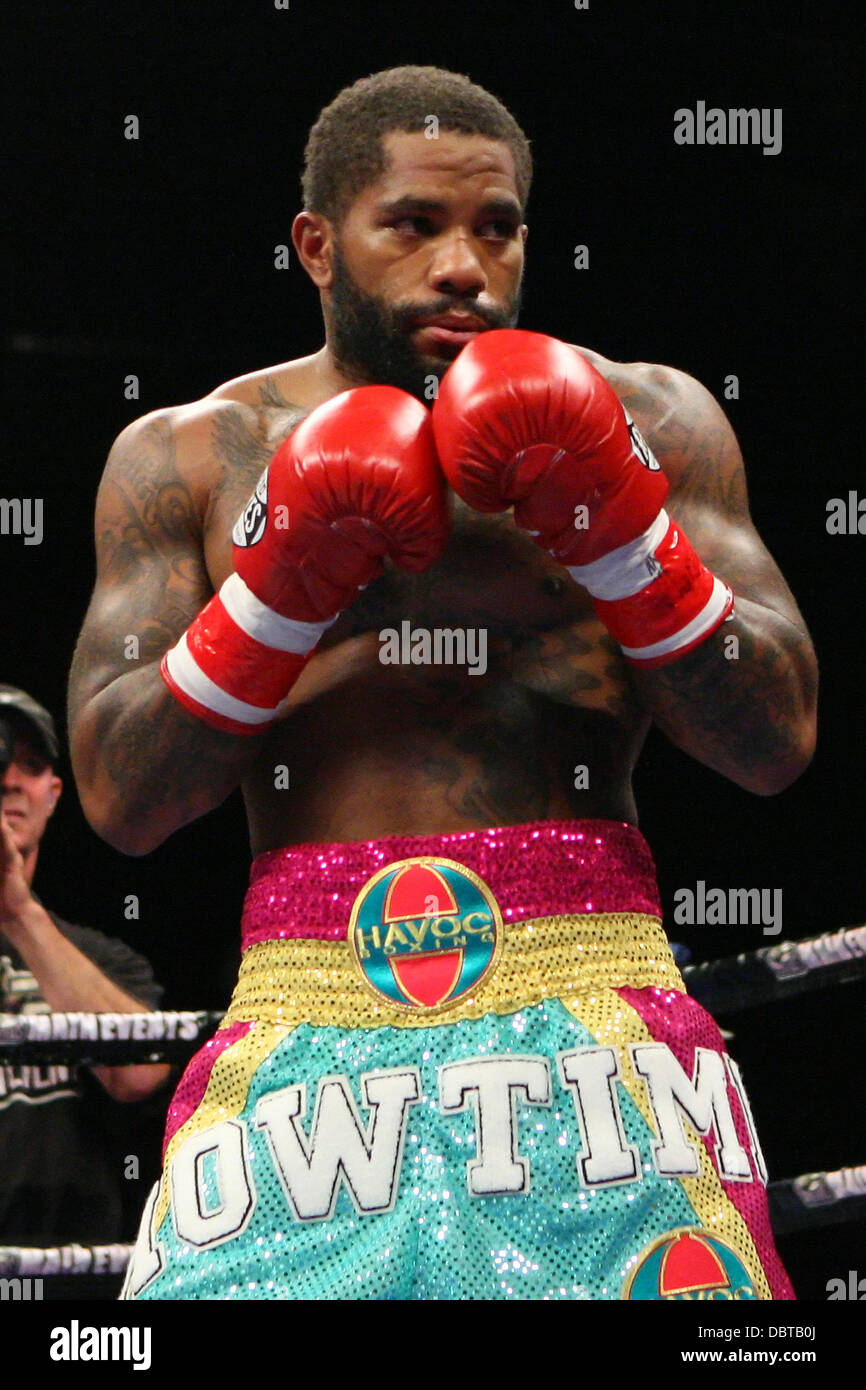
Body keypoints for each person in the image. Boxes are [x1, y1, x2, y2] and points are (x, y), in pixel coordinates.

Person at [68, 67, 817, 1301]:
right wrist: (277, 591)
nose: (464, 265)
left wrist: (620, 536)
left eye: (496, 227)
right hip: (307, 1045)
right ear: (316, 245)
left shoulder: (650, 419)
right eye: (413, 226)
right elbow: (124, 801)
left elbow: (772, 738)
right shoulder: (191, 455)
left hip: (596, 1021)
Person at [0, 684, 171, 1247]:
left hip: (72, 1296)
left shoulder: (102, 958)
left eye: (29, 765)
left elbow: (139, 1075)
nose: (9, 781)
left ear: (53, 794)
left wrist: (18, 913)